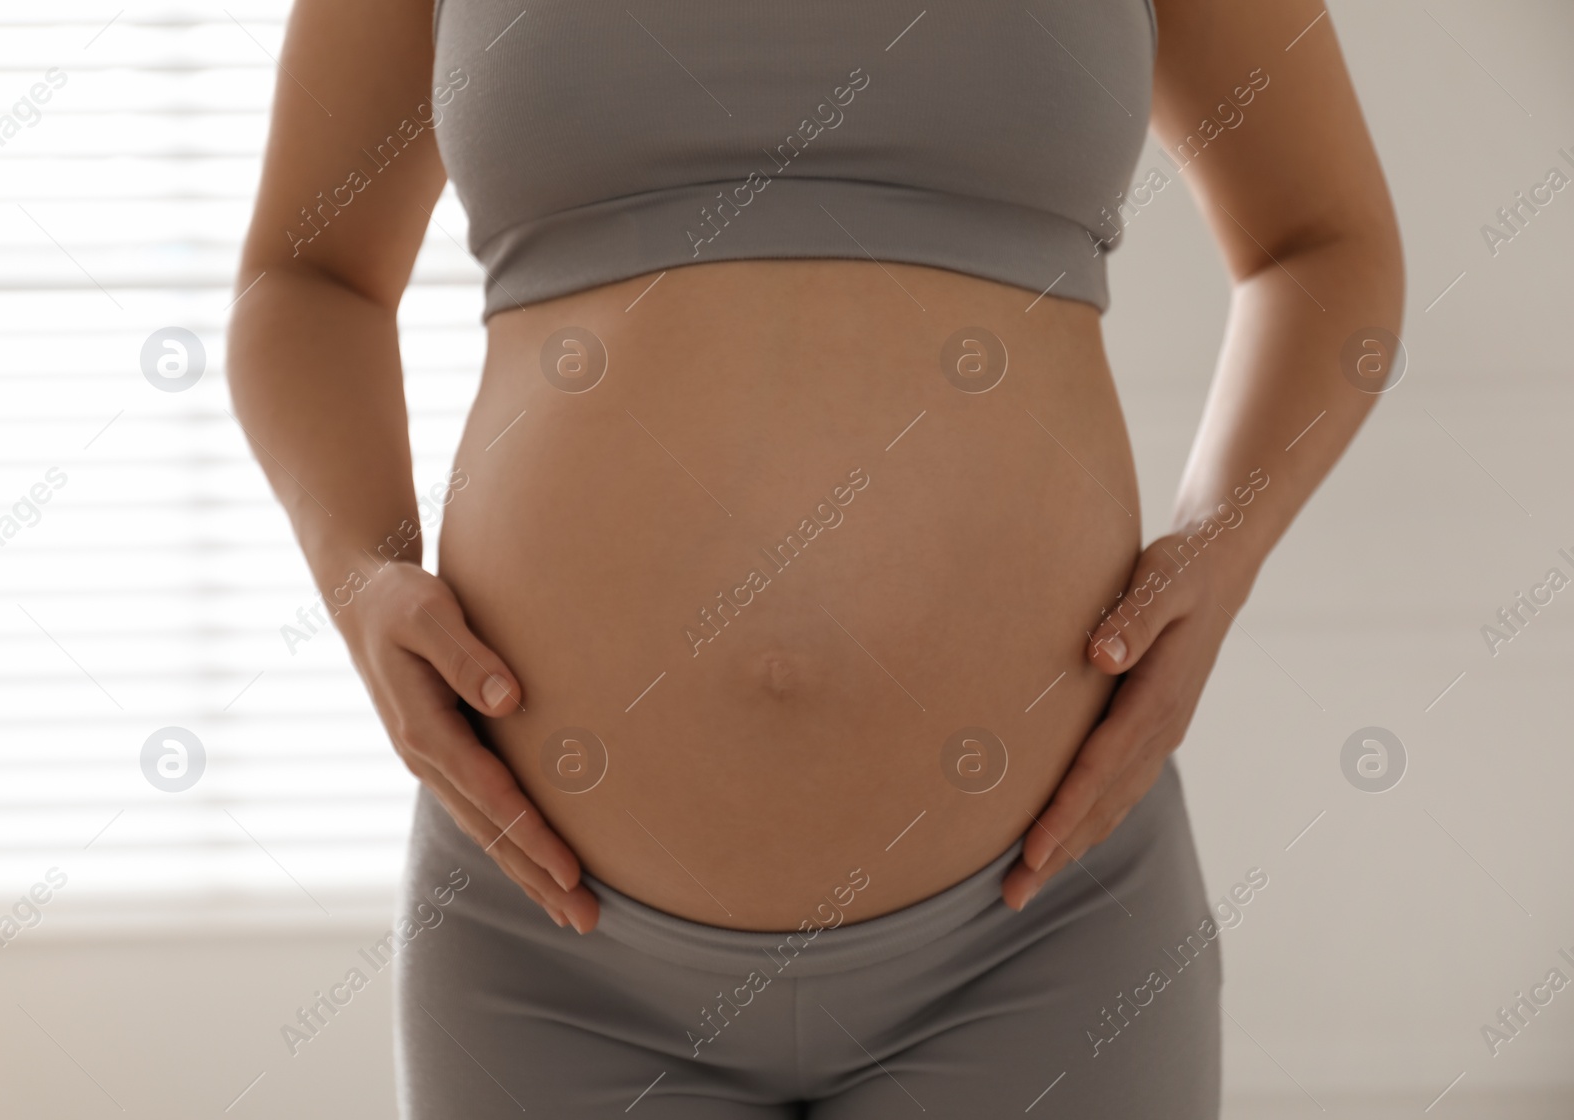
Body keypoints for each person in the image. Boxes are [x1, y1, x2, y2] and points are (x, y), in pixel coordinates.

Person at [227, 0, 1403, 1114]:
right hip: (548, 952)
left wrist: (1224, 543)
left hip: (1039, 932)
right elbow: (307, 274)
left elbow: (1323, 244)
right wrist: (355, 570)